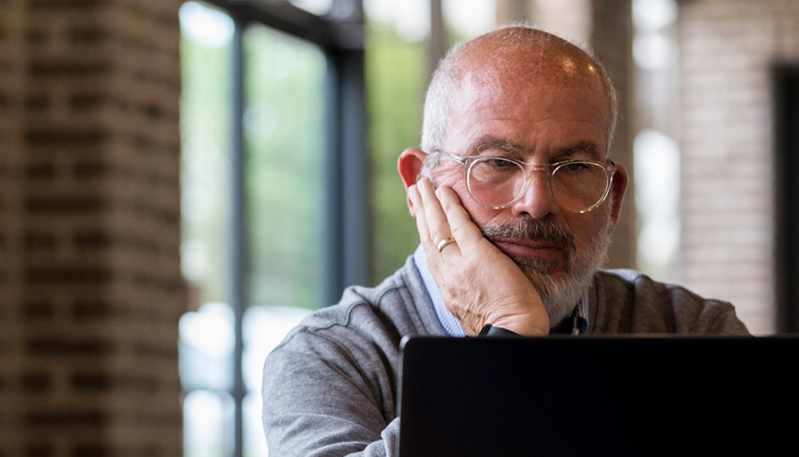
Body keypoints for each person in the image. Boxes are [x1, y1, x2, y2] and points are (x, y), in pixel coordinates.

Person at [261, 26, 749, 456]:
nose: (536, 202)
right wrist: (508, 341)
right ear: (419, 184)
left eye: (575, 167)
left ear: (613, 197)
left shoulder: (691, 332)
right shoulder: (332, 358)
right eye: (495, 162)